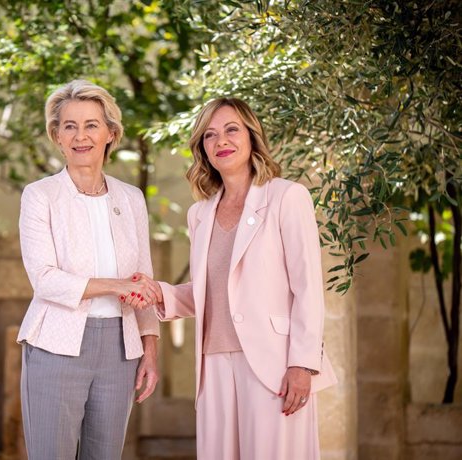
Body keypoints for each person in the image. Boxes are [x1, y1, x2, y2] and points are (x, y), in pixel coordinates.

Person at [138, 97, 337, 459]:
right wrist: (158, 294)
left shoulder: (287, 197)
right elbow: (211, 290)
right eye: (210, 135)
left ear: (251, 136)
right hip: (213, 363)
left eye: (231, 130)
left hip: (273, 364)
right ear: (203, 149)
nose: (221, 141)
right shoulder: (200, 214)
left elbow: (307, 288)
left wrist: (303, 363)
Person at [16, 79, 160, 460]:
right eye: (69, 126)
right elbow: (44, 279)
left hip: (120, 349)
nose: (81, 136)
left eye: (92, 125)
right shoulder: (39, 195)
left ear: (110, 134)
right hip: (56, 346)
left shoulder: (131, 199)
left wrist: (150, 349)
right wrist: (114, 286)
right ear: (57, 136)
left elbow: (143, 278)